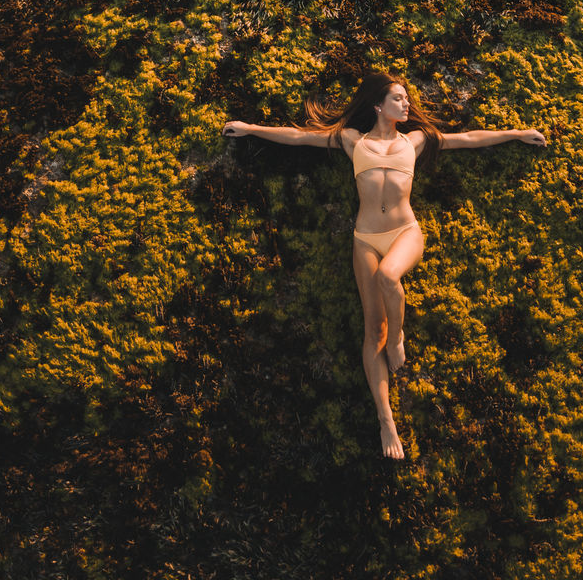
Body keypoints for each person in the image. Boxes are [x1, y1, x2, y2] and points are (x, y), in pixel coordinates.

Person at [222, 71, 547, 460]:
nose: (407, 103)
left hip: (404, 232)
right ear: (378, 106)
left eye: (407, 98)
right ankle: (385, 419)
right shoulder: (351, 139)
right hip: (365, 239)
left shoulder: (416, 140)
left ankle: (398, 338)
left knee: (390, 276)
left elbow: (468, 140)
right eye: (398, 98)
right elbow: (299, 136)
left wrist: (514, 133)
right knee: (370, 329)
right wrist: (249, 128)